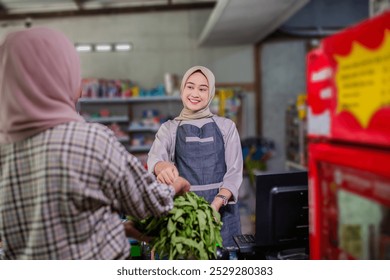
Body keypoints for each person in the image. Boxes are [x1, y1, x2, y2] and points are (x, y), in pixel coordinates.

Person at [0, 27, 190, 260]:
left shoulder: (5, 149)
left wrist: (120, 229)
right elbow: (150, 203)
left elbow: (45, 231)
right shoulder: (91, 140)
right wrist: (176, 185)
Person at [147, 66, 243, 247]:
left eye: (202, 89)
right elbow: (155, 158)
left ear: (211, 93)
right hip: (185, 212)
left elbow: (235, 172)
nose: (195, 93)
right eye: (190, 87)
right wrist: (161, 166)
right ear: (182, 90)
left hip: (222, 210)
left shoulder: (226, 127)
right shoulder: (170, 129)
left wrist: (216, 204)